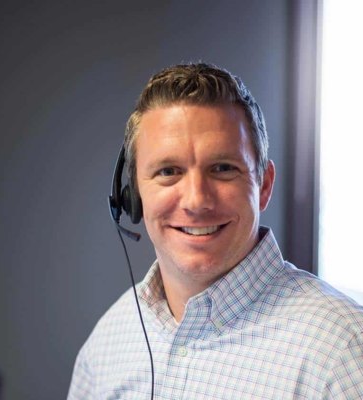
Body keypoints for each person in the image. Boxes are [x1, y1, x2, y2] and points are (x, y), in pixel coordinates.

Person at [67, 63, 363, 399]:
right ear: (133, 195)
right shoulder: (108, 344)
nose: (196, 201)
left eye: (222, 168)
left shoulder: (342, 352)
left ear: (263, 185)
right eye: (168, 171)